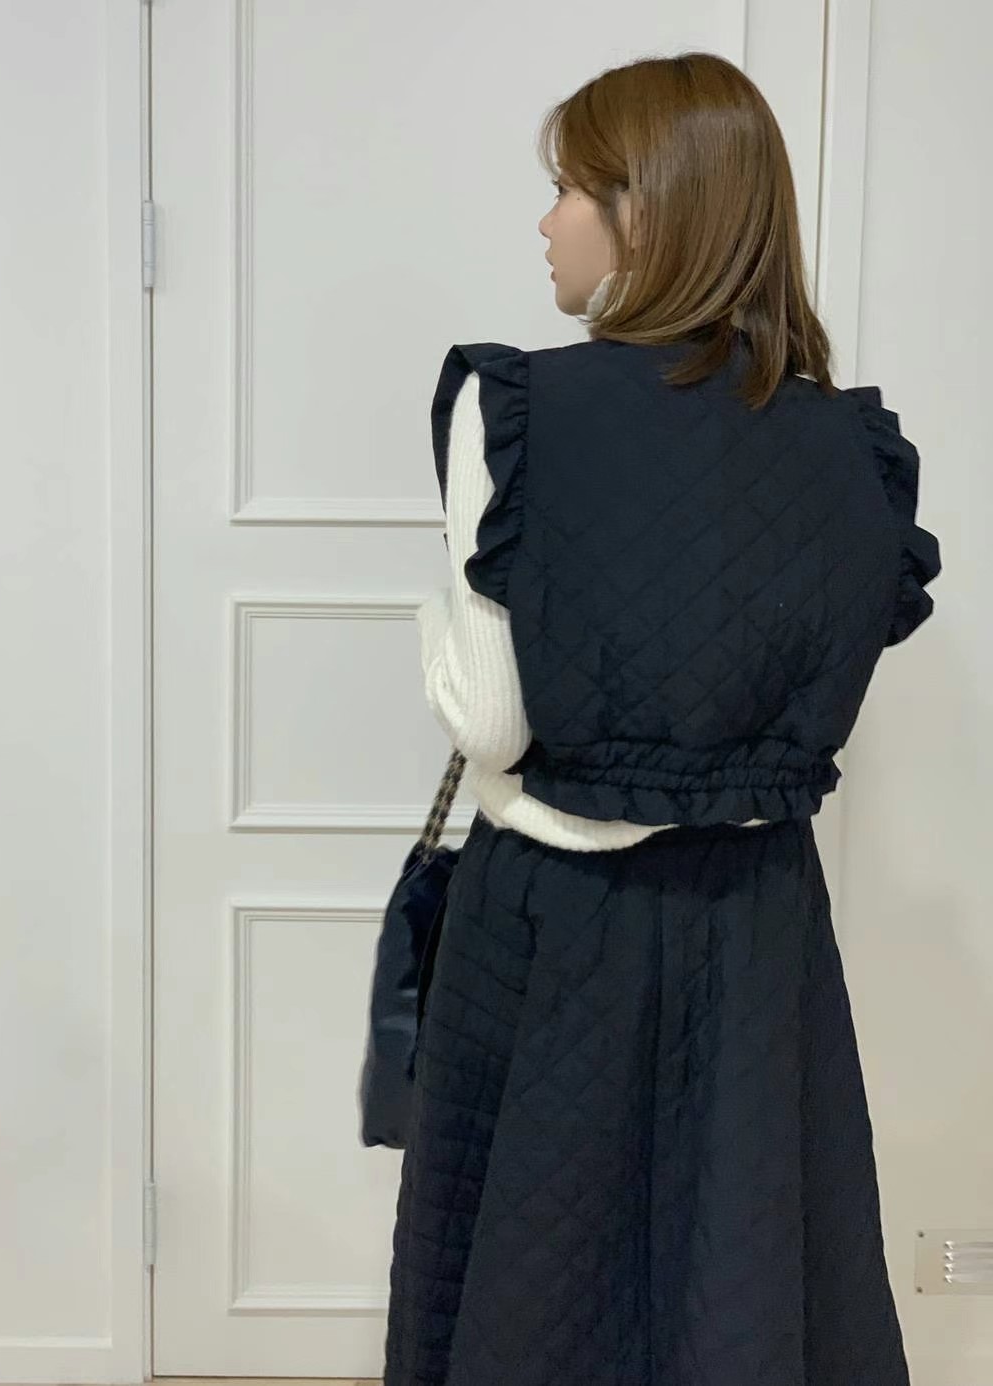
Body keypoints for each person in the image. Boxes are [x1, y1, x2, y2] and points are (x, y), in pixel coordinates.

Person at [383, 51, 940, 1386]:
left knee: (532, 1277)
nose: (547, 222)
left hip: (552, 920)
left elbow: (493, 725)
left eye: (569, 189)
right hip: (757, 921)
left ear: (648, 208)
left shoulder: (520, 411)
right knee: (735, 1259)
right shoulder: (849, 447)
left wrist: (429, 613)